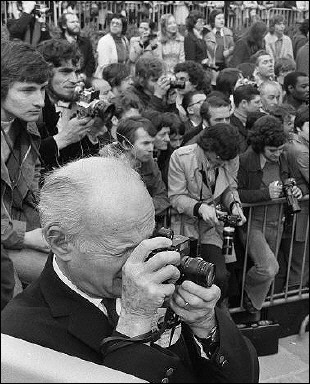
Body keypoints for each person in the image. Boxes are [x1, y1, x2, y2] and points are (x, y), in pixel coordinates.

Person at [1, 155, 259, 383]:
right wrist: (134, 326)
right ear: (60, 241)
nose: (142, 262)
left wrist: (207, 327)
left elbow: (246, 375)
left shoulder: (164, 274)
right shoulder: (18, 337)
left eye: (149, 239)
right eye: (123, 249)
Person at [168, 124, 247, 310]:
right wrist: (200, 208)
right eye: (219, 159)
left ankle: (216, 316)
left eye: (227, 160)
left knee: (219, 276)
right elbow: (176, 196)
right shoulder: (181, 157)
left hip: (213, 227)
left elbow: (229, 188)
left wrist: (235, 205)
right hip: (185, 227)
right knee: (186, 280)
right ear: (208, 148)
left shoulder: (230, 158)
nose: (223, 164)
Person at [237, 115, 303, 313]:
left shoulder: (285, 157)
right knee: (268, 268)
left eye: (281, 149)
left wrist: (299, 190)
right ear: (260, 145)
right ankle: (249, 300)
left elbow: (298, 182)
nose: (277, 154)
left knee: (271, 269)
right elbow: (235, 193)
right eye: (273, 150)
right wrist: (265, 194)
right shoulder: (245, 160)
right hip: (253, 223)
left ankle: (251, 304)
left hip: (278, 221)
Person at [1, 40, 51, 288]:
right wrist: (26, 237)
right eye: (28, 90)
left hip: (19, 227)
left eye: (42, 89)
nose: (40, 101)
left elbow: (33, 177)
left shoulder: (25, 122)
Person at [36, 39, 101, 175]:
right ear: (45, 73)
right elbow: (27, 158)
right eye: (65, 72)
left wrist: (92, 134)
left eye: (75, 72)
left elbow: (75, 162)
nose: (74, 79)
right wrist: (64, 137)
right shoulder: (33, 108)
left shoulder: (71, 105)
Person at [101, 116, 170, 225]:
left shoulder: (150, 162)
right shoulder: (104, 164)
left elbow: (162, 197)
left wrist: (141, 208)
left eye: (152, 143)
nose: (151, 149)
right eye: (146, 143)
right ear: (126, 144)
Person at [280, 105, 309, 290]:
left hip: (296, 214)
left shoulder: (293, 144)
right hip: (301, 216)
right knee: (300, 266)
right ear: (299, 126)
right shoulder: (302, 151)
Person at [57, 12, 96, 81]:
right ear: (64, 25)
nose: (76, 24)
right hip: (64, 80)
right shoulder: (57, 43)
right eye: (72, 22)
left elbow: (91, 62)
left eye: (77, 22)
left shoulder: (86, 42)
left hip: (83, 79)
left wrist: (84, 75)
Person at [204, 9, 234, 85]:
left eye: (223, 18)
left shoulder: (228, 33)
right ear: (213, 20)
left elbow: (233, 46)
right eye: (219, 18)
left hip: (225, 65)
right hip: (211, 66)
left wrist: (229, 51)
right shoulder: (207, 34)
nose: (222, 21)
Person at [94, 14, 129, 78]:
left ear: (123, 27)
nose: (114, 25)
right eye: (112, 23)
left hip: (120, 77)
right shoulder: (104, 41)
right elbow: (104, 66)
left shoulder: (124, 40)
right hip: (106, 78)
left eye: (117, 24)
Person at [231, 84, 262, 153]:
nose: (261, 105)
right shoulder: (231, 127)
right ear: (244, 103)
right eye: (257, 102)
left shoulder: (259, 120)